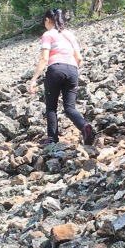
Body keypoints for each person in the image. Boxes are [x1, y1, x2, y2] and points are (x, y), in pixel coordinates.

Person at [27, 8, 95, 146]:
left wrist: (34, 79)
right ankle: (84, 126)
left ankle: (52, 138)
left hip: (56, 69)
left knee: (51, 107)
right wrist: (72, 70)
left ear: (47, 20)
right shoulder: (70, 35)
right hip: (72, 70)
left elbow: (44, 58)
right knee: (70, 108)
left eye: (44, 22)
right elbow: (79, 58)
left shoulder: (48, 34)